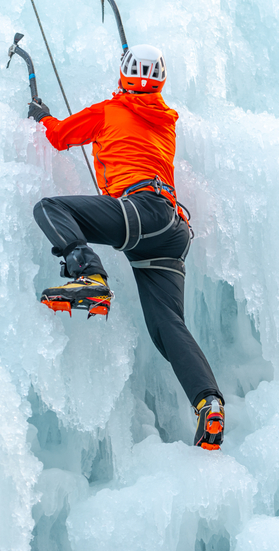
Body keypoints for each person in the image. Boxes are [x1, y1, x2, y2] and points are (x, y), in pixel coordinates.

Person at [26, 44, 225, 451]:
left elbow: (62, 137)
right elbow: (142, 109)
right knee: (167, 327)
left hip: (140, 211)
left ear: (123, 76)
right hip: (171, 229)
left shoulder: (108, 111)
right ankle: (208, 402)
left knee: (51, 208)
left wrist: (41, 115)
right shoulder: (165, 120)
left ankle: (88, 274)